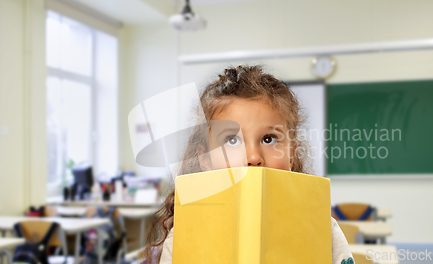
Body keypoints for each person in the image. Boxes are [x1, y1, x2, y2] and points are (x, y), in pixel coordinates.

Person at [143, 65, 353, 264]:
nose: (253, 157)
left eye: (269, 138)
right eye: (232, 140)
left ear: (291, 154)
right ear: (205, 160)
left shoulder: (321, 228)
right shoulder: (186, 232)